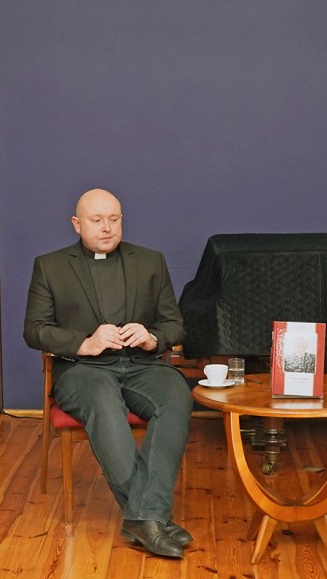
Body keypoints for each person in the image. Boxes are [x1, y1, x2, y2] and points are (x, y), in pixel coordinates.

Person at [24, 188, 193, 559]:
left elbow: (174, 325)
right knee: (103, 402)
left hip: (142, 364)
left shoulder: (150, 261)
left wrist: (151, 337)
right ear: (77, 224)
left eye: (114, 219)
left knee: (177, 396)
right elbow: (34, 330)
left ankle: (143, 518)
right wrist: (85, 342)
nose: (107, 228)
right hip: (82, 369)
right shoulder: (50, 266)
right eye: (97, 220)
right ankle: (151, 517)